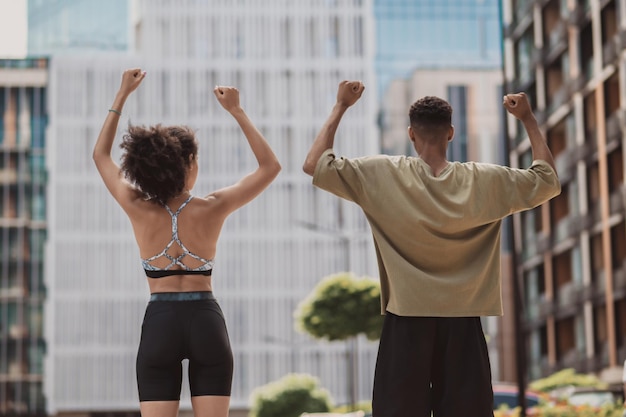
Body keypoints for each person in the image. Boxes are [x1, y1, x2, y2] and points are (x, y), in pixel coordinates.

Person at [302, 81, 561, 417]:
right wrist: (527, 119)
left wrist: (341, 105)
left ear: (411, 134)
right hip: (464, 320)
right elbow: (547, 180)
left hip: (406, 319)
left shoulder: (381, 174)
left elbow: (315, 164)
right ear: (451, 133)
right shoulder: (486, 180)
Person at [93, 68, 281, 417]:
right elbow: (270, 167)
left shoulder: (137, 208)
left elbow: (101, 157)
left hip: (160, 320)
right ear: (190, 164)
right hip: (205, 319)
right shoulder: (214, 207)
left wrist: (122, 94)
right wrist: (237, 110)